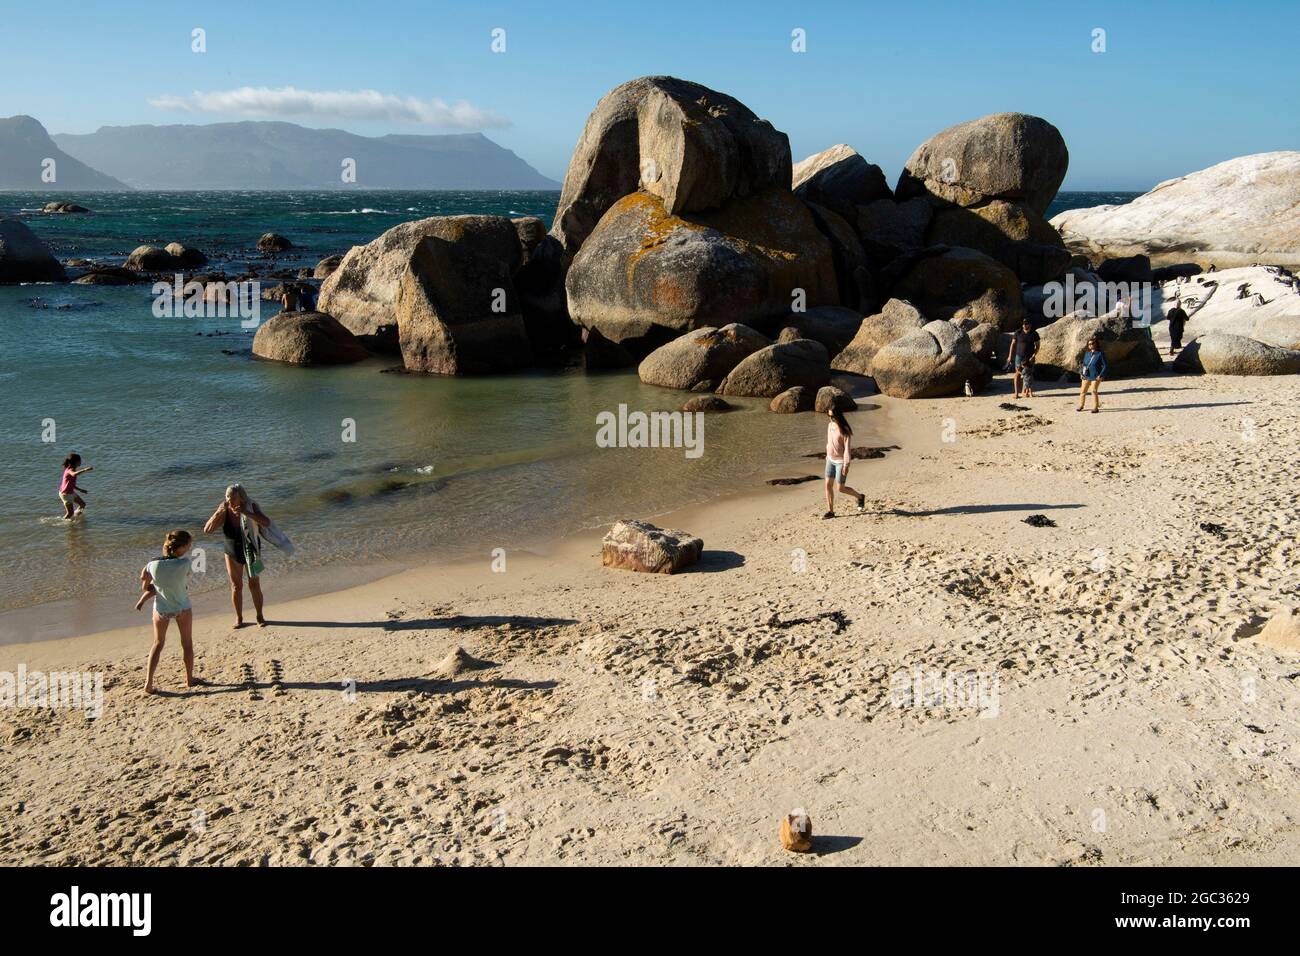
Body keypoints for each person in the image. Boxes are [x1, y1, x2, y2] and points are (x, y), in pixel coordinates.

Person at [203, 483, 271, 628]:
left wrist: (247, 513)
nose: (230, 500)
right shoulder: (225, 511)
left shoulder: (251, 506)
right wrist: (218, 512)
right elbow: (207, 530)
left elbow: (266, 523)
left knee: (254, 584)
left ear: (241, 497)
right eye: (227, 497)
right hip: (232, 550)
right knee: (236, 586)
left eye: (233, 497)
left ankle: (260, 616)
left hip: (251, 548)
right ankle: (239, 618)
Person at [139, 529, 198, 695]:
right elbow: (183, 581)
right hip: (182, 607)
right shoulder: (185, 563)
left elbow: (145, 584)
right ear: (182, 546)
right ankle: (189, 679)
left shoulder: (152, 564)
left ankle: (148, 683)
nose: (189, 548)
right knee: (187, 643)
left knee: (158, 643)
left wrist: (150, 588)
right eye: (188, 545)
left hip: (161, 608)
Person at [822, 406, 866, 519]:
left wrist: (846, 464)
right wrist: (827, 455)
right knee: (827, 485)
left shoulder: (845, 430)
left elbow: (847, 449)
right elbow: (829, 442)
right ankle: (830, 511)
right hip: (830, 460)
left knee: (840, 488)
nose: (831, 419)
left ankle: (860, 497)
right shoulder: (830, 425)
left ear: (838, 415)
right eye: (829, 416)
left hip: (841, 462)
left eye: (832, 416)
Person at [1006, 318, 1040, 399]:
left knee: (1028, 375)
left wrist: (1034, 355)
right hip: (1019, 356)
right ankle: (1016, 393)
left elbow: (1038, 346)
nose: (1024, 325)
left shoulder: (1034, 333)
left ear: (1030, 325)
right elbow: (1012, 344)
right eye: (1024, 324)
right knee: (1017, 374)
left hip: (1030, 357)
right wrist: (1010, 356)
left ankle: (1024, 392)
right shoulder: (1018, 332)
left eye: (1026, 324)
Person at [58, 453, 93, 519]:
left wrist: (80, 490)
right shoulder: (69, 470)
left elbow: (71, 484)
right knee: (70, 513)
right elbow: (74, 474)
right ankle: (62, 523)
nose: (81, 462)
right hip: (65, 494)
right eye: (80, 460)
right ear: (76, 462)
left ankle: (75, 517)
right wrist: (85, 470)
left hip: (70, 492)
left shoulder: (72, 469)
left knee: (82, 504)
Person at [1077, 337, 1108, 413]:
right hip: (1086, 375)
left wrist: (1100, 375)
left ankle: (1095, 407)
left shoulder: (1100, 354)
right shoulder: (1087, 354)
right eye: (1089, 344)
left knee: (1093, 391)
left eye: (1092, 343)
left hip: (1096, 376)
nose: (1090, 345)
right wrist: (1081, 373)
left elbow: (1105, 365)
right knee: (1083, 391)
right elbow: (1084, 364)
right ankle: (1081, 405)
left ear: (1096, 344)